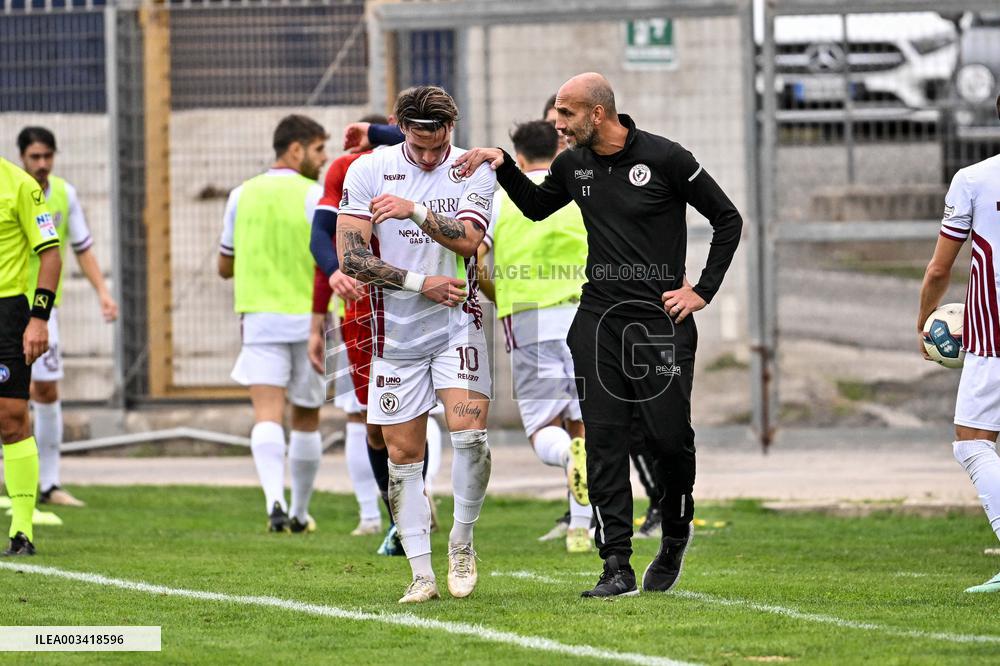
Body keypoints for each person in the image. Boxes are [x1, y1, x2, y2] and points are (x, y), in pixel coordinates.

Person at [455, 72, 743, 597]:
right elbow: (537, 207)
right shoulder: (572, 164)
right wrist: (501, 163)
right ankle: (616, 564)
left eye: (565, 114)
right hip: (596, 320)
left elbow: (728, 219)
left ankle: (675, 534)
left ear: (597, 113)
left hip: (659, 321)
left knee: (667, 439)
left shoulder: (666, 158)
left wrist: (701, 291)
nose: (557, 123)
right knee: (605, 439)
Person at [337, 85, 495, 604]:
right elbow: (352, 259)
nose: (428, 155)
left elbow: (470, 240)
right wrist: (417, 282)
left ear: (453, 127)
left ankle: (462, 543)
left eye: (438, 143)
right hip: (397, 332)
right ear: (398, 125)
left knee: (469, 434)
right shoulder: (368, 169)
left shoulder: (473, 168)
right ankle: (422, 573)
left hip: (458, 324)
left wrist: (416, 211)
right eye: (418, 143)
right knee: (403, 453)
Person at [475, 120, 591, 553]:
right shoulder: (579, 195)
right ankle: (583, 528)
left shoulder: (503, 200)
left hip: (529, 317)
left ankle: (566, 459)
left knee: (544, 427)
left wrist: (499, 293)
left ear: (517, 158)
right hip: (583, 314)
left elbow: (480, 263)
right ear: (560, 151)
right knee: (585, 420)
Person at [218, 114, 328, 534]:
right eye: (318, 149)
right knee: (307, 415)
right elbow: (327, 256)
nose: (323, 158)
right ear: (296, 149)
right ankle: (299, 512)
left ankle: (274, 501)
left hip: (260, 316)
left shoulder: (239, 195)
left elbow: (224, 265)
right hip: (310, 320)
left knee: (266, 413)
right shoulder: (315, 195)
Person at [918, 94, 1000, 594]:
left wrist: (924, 319)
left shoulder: (973, 178)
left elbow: (939, 268)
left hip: (992, 335)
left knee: (973, 444)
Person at [17, 127, 119, 508]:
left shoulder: (64, 194)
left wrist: (104, 294)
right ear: (22, 158)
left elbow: (82, 249)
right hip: (5, 304)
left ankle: (49, 483)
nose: (42, 164)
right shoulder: (10, 190)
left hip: (43, 312)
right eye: (35, 157)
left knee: (46, 390)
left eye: (47, 157)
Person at [0, 156, 62, 555]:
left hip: (6, 312)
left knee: (10, 417)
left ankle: (22, 530)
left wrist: (38, 320)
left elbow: (51, 255)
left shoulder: (21, 186)